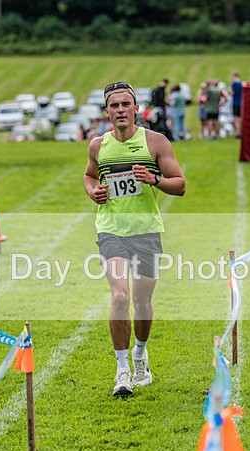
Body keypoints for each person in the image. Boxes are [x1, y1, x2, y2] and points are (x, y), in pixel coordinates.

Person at [83, 81, 186, 397]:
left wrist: (153, 178)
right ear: (107, 112)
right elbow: (89, 176)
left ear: (136, 109)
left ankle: (140, 353)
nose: (120, 110)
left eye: (125, 104)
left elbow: (180, 184)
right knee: (119, 297)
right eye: (114, 106)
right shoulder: (98, 146)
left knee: (142, 301)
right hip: (111, 230)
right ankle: (122, 370)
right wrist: (93, 192)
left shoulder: (155, 142)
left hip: (146, 231)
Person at [230, 72, 243, 138]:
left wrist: (229, 92)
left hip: (235, 103)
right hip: (241, 103)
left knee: (236, 119)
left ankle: (237, 133)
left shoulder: (234, 84)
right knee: (241, 118)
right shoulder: (242, 83)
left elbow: (232, 93)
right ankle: (241, 132)